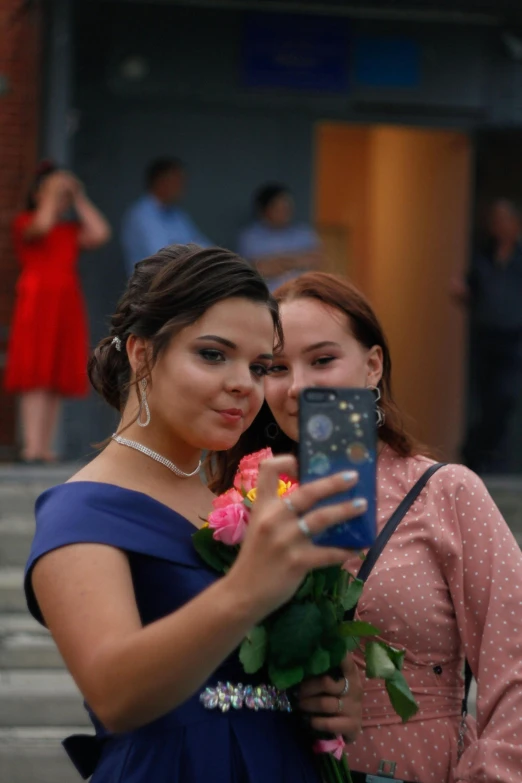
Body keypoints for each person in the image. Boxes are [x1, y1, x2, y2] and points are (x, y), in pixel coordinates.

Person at [24, 245, 363, 783]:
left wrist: (325, 688)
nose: (243, 384)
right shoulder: (80, 510)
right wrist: (248, 588)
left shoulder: (229, 498)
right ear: (140, 354)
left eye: (258, 366)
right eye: (212, 354)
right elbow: (115, 694)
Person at [208, 271, 522, 783]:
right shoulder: (243, 506)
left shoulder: (447, 494)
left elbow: (516, 664)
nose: (301, 386)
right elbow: (219, 684)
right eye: (278, 367)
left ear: (372, 365)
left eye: (323, 360)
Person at [4, 161, 111, 464]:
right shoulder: (26, 222)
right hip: (37, 301)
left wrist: (78, 196)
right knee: (35, 371)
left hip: (65, 302)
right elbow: (41, 225)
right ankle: (32, 447)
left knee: (55, 373)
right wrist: (51, 192)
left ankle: (44, 446)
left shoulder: (69, 230)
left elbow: (100, 233)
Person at [451, 198, 522, 473]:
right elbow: (469, 291)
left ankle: (482, 452)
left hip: (514, 340)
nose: (499, 226)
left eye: (504, 220)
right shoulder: (482, 257)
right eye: (495, 221)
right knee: (484, 399)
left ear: (515, 224)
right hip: (485, 339)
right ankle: (479, 454)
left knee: (505, 398)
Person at [121, 158, 211, 275]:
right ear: (161, 181)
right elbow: (162, 256)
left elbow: (200, 244)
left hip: (176, 281)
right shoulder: (141, 215)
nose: (182, 187)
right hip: (149, 287)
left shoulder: (177, 214)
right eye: (177, 181)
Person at [237, 183, 323, 291]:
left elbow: (315, 261)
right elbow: (258, 269)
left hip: (300, 294)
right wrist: (297, 259)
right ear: (264, 210)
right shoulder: (250, 236)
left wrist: (278, 260)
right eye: (278, 207)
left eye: (287, 206)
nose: (285, 211)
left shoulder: (304, 233)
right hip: (266, 298)